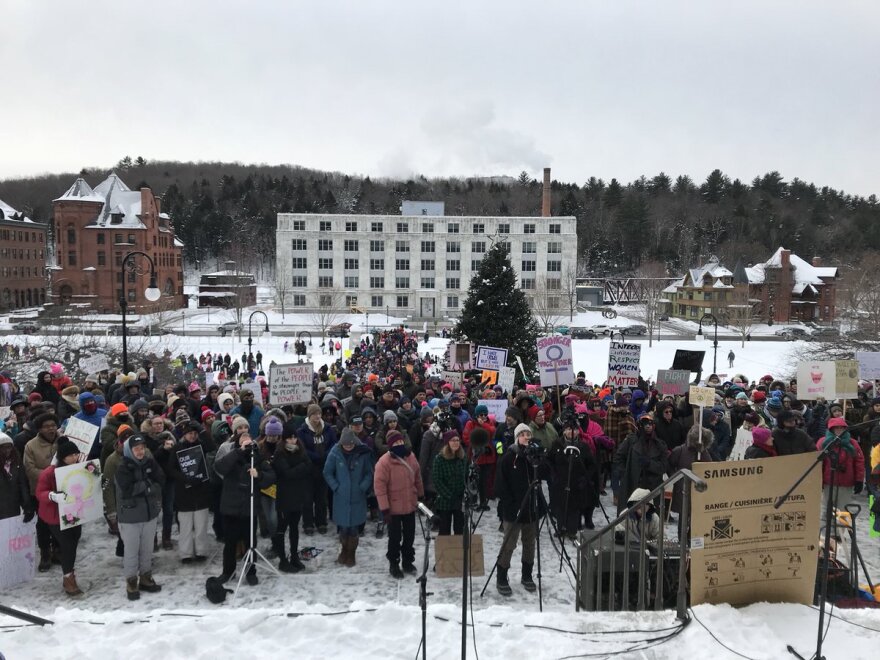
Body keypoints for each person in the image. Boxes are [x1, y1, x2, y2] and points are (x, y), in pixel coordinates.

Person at [213, 432, 275, 584]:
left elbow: (271, 476)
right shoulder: (231, 454)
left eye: (248, 438)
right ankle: (228, 572)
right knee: (230, 543)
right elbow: (219, 467)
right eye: (243, 438)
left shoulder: (257, 456)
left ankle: (250, 571)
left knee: (251, 543)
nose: (246, 441)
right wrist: (239, 451)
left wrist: (259, 475)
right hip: (231, 507)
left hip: (249, 507)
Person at [494, 424, 545, 596]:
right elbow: (501, 486)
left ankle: (527, 575)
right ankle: (501, 576)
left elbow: (543, 476)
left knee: (530, 543)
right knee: (509, 544)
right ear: (517, 437)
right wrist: (511, 505)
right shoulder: (509, 458)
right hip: (513, 509)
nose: (526, 437)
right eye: (523, 434)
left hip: (531, 508)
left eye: (528, 434)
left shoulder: (533, 457)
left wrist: (538, 460)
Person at [115, 434, 165, 600]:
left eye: (142, 448)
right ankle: (131, 582)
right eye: (136, 448)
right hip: (130, 517)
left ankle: (145, 577)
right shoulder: (123, 467)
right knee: (131, 552)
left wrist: (147, 487)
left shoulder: (150, 462)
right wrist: (147, 485)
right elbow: (127, 491)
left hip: (149, 514)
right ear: (130, 450)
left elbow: (161, 480)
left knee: (147, 550)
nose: (140, 451)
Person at [35, 439, 85, 597]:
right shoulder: (49, 473)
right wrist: (52, 496)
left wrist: (99, 483)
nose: (75, 457)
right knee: (67, 545)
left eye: (76, 454)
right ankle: (68, 577)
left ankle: (69, 572)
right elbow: (40, 492)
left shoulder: (79, 469)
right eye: (71, 455)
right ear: (63, 456)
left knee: (74, 541)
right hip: (55, 517)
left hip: (75, 513)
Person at [374, 429, 424, 578]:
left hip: (409, 505)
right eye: (396, 443)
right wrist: (384, 509)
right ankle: (394, 563)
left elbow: (417, 478)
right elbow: (380, 488)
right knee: (395, 538)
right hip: (393, 508)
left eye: (401, 441)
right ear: (390, 445)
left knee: (409, 536)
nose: (399, 444)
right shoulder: (383, 463)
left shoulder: (411, 457)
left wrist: (421, 496)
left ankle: (408, 561)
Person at [164, 420, 215, 564]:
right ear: (184, 435)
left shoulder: (201, 445)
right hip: (183, 492)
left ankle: (201, 551)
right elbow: (171, 469)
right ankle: (185, 553)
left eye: (194, 433)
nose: (192, 436)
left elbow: (211, 446)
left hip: (201, 490)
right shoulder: (177, 448)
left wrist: (202, 430)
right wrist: (185, 478)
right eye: (189, 434)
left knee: (201, 525)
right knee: (185, 526)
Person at [323, 428, 374, 567]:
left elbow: (369, 473)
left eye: (351, 445)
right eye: (346, 445)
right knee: (343, 528)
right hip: (341, 497)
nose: (348, 447)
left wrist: (363, 487)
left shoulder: (363, 453)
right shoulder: (335, 453)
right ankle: (344, 551)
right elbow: (327, 472)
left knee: (354, 529)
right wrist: (336, 487)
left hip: (357, 496)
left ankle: (351, 553)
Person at [23, 412, 59, 571]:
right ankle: (45, 553)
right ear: (40, 429)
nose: (51, 429)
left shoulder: (63, 441)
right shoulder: (31, 445)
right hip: (40, 491)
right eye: (46, 427)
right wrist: (50, 476)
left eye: (53, 426)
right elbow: (30, 469)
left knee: (59, 522)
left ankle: (58, 550)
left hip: (60, 490)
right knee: (44, 523)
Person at [273, 428, 311, 573]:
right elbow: (286, 473)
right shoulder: (279, 453)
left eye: (294, 437)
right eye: (289, 438)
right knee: (282, 528)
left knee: (294, 528)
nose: (292, 440)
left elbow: (309, 466)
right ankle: (282, 559)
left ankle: (294, 556)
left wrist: (299, 468)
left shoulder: (300, 450)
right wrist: (301, 467)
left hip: (297, 495)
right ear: (284, 439)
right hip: (284, 497)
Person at [297, 403, 338, 535]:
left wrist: (326, 455)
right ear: (309, 415)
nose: (317, 416)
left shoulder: (327, 428)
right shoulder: (302, 431)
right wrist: (315, 456)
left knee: (322, 497)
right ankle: (308, 524)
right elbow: (302, 448)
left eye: (319, 413)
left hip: (324, 467)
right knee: (307, 498)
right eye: (315, 414)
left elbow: (333, 443)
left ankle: (321, 522)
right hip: (309, 468)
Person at [614, 414, 668, 513]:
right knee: (631, 515)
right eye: (645, 424)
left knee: (650, 517)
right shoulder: (631, 440)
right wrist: (625, 473)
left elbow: (664, 467)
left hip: (652, 486)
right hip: (632, 484)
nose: (648, 426)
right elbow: (618, 457)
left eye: (650, 424)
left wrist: (650, 464)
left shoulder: (660, 444)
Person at [817, 418, 865, 521]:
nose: (839, 430)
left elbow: (859, 462)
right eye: (836, 428)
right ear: (831, 429)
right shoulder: (823, 442)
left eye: (841, 428)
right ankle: (824, 533)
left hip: (846, 482)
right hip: (828, 481)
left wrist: (859, 480)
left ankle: (839, 534)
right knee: (826, 508)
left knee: (842, 510)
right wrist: (817, 479)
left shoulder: (853, 443)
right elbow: (818, 463)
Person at [431, 430, 467, 535]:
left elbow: (465, 476)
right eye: (453, 440)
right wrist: (449, 495)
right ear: (447, 443)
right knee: (444, 530)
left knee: (460, 529)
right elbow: (437, 480)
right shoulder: (439, 459)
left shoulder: (462, 457)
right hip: (444, 501)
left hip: (459, 500)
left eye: (457, 440)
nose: (456, 442)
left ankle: (459, 550)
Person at [0, 432, 34, 522]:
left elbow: (22, 483)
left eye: (9, 447)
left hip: (13, 506)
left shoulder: (16, 462)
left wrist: (26, 504)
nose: (7, 450)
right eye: (3, 447)